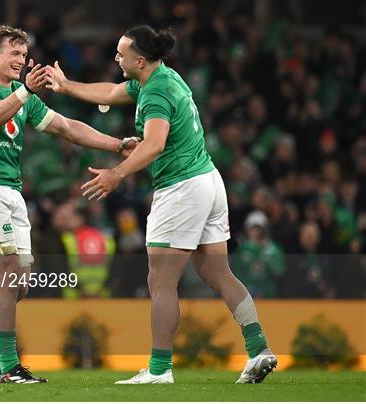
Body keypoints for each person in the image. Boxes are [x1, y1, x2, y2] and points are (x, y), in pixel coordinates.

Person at [45, 25, 277, 384]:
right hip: (209, 181)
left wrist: (116, 174)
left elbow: (153, 145)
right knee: (217, 273)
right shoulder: (162, 77)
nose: (116, 58)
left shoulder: (154, 93)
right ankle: (258, 348)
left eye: (121, 54)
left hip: (181, 188)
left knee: (161, 282)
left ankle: (158, 369)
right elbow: (110, 91)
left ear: (140, 59)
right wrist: (66, 85)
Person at [0, 25, 138, 384]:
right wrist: (26, 91)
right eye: (14, 53)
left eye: (25, 54)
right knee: (8, 275)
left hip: (11, 194)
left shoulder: (19, 93)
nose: (22, 60)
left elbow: (67, 127)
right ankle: (9, 367)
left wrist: (117, 145)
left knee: (18, 285)